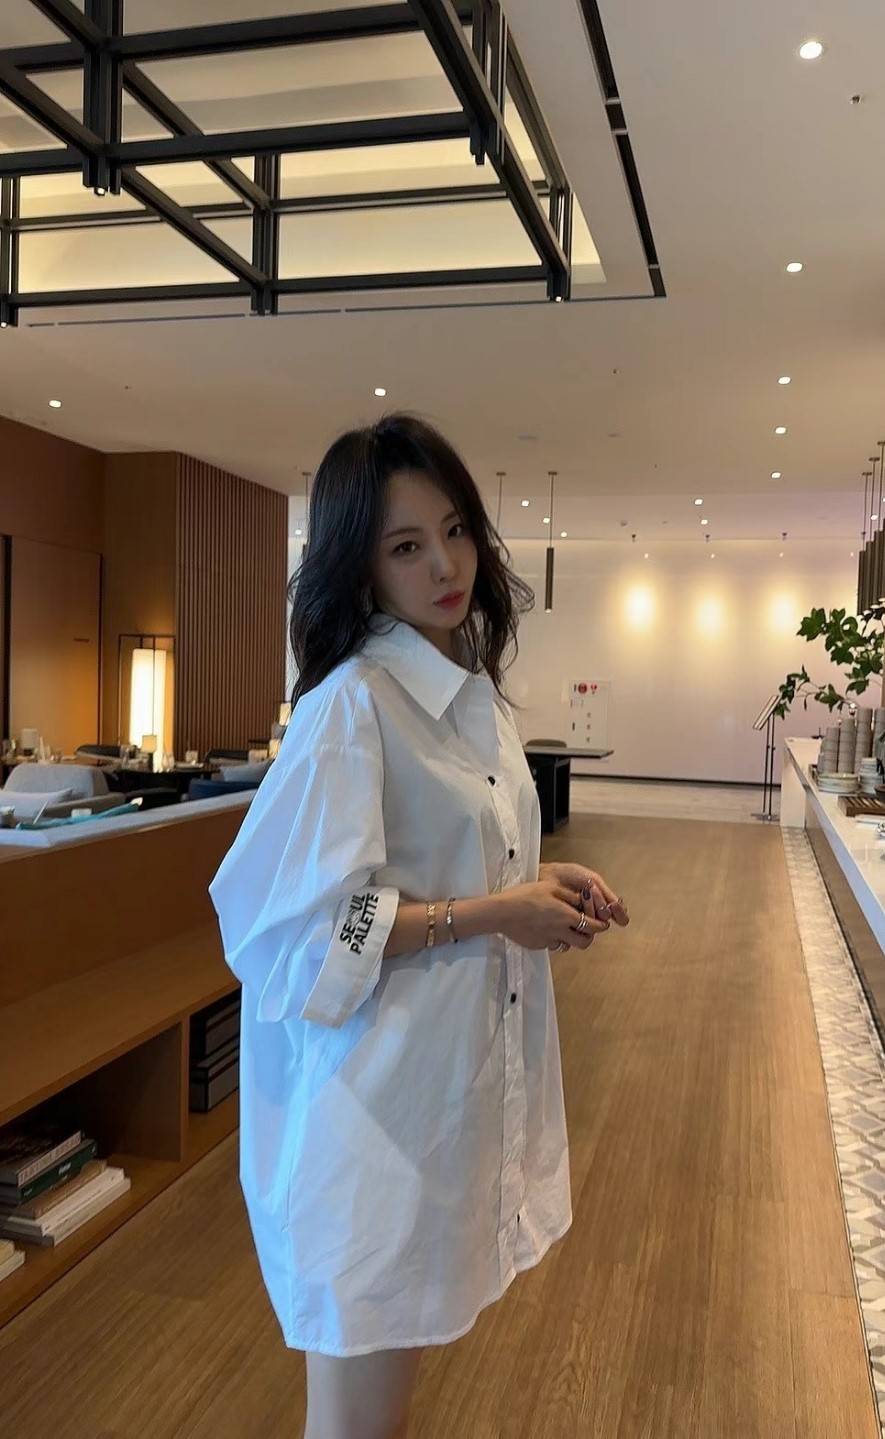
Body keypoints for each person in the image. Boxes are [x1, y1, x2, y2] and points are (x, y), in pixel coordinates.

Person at [209, 414, 630, 1439]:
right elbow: (302, 930)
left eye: (454, 530)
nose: (444, 565)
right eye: (406, 545)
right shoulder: (353, 706)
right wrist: (494, 912)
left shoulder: (469, 696)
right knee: (357, 1421)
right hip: (370, 1120)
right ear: (361, 566)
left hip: (437, 1098)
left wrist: (538, 880)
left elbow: (434, 861)